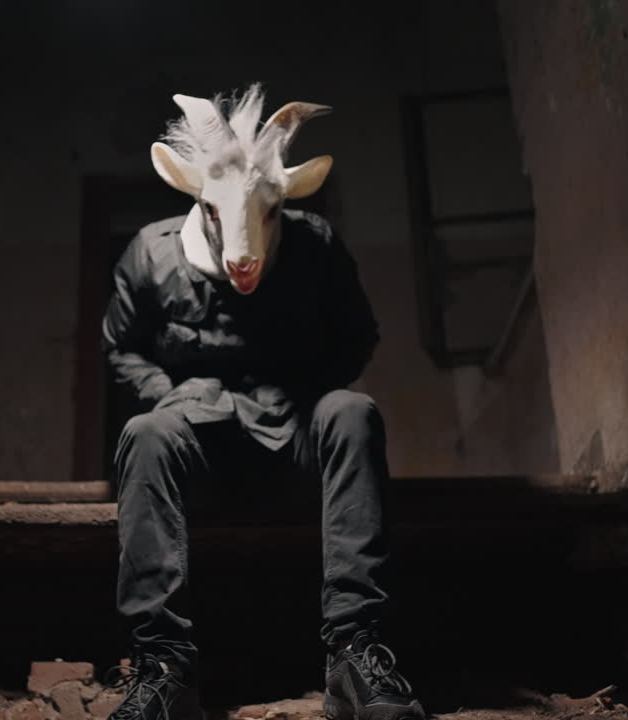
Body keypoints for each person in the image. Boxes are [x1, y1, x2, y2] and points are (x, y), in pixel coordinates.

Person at [101, 84, 425, 720]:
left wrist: (308, 394)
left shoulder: (315, 244)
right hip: (200, 433)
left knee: (353, 413)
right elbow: (122, 350)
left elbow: (357, 336)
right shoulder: (153, 250)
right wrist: (169, 395)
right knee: (144, 433)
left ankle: (355, 656)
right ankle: (164, 668)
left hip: (296, 431)